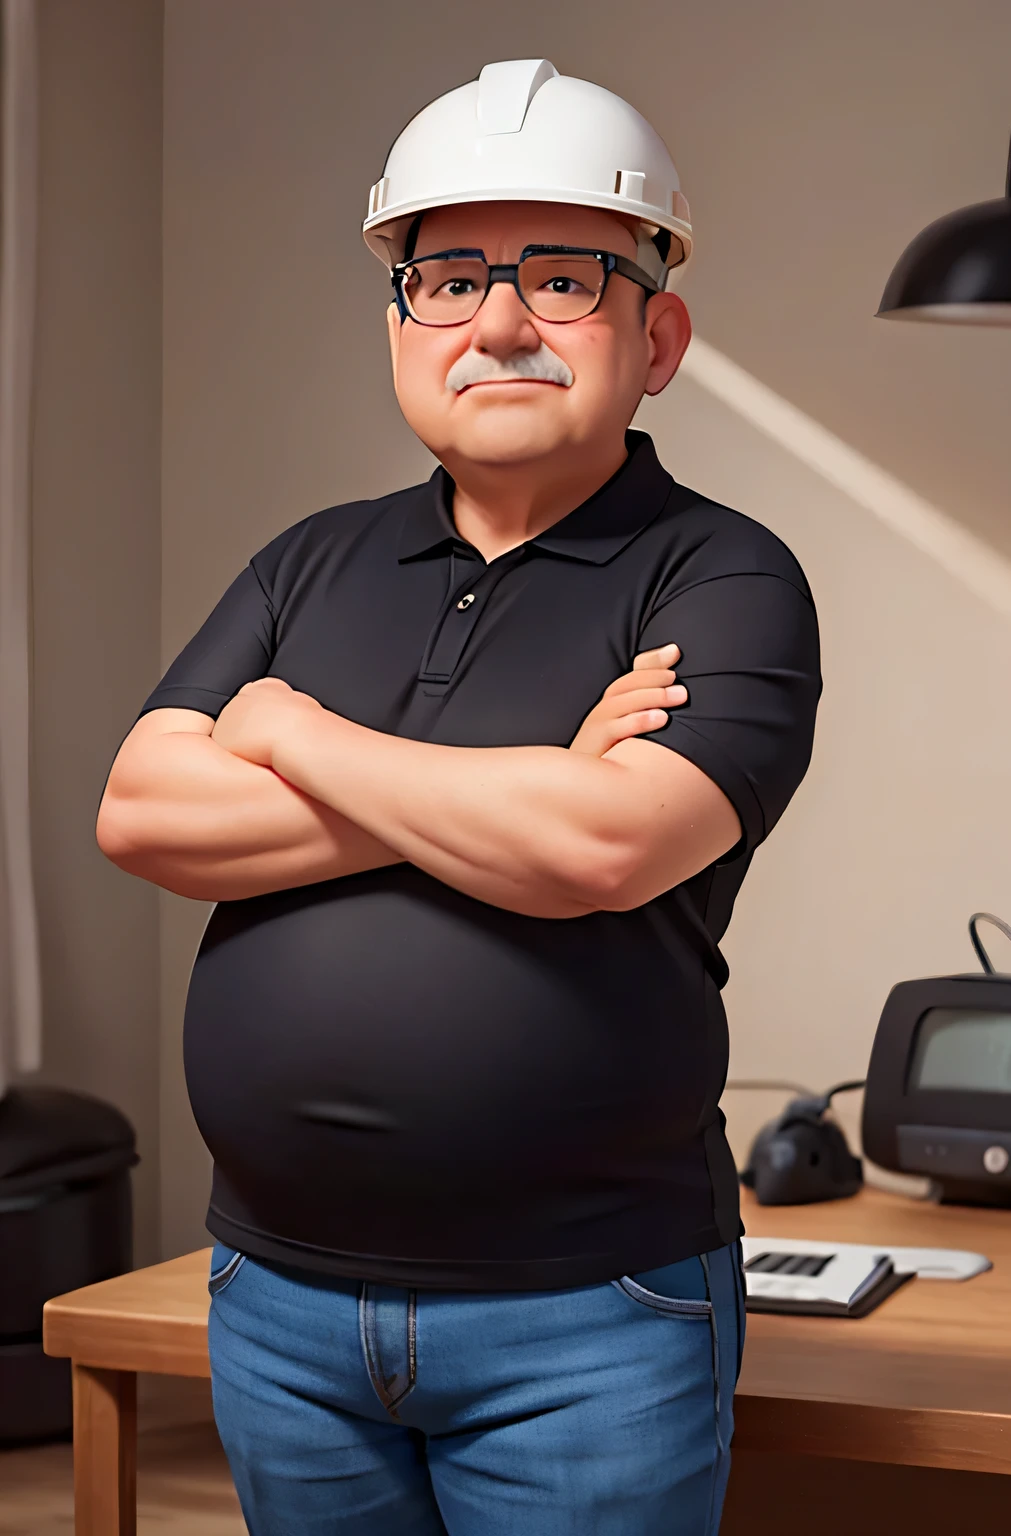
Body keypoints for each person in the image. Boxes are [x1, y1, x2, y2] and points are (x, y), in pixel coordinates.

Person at [97, 59, 821, 1536]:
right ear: (402, 324)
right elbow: (142, 814)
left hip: (588, 1321)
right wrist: (533, 775)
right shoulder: (311, 559)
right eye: (448, 280)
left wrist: (288, 729)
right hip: (274, 1302)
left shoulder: (726, 574)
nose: (497, 325)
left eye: (562, 280)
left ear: (657, 334)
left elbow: (608, 845)